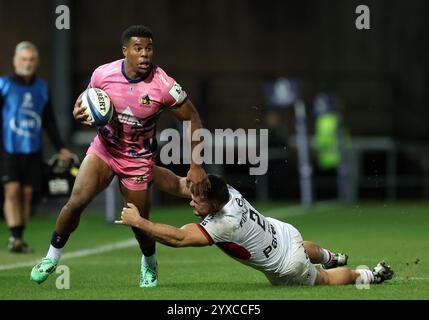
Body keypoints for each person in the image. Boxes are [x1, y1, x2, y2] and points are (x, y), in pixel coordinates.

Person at [30, 25, 210, 288]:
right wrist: (78, 111)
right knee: (76, 201)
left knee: (139, 224)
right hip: (104, 150)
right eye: (138, 49)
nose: (145, 54)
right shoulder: (103, 73)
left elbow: (193, 117)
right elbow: (86, 101)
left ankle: (149, 263)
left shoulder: (163, 85)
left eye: (149, 48)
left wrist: (196, 164)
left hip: (137, 160)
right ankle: (51, 257)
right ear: (125, 51)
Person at [116, 172, 394, 286]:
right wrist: (144, 168)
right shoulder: (227, 191)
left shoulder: (223, 224)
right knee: (305, 248)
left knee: (325, 280)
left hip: (288, 265)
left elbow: (177, 239)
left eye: (196, 201)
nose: (191, 201)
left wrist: (139, 222)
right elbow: (179, 183)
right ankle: (332, 255)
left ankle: (368, 275)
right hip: (284, 233)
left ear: (212, 206)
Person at [0, 41, 72, 253]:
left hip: (33, 149)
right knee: (11, 190)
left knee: (27, 193)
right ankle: (14, 238)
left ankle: (19, 237)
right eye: (23, 59)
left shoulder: (42, 87)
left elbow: (49, 120)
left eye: (31, 59)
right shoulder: (3, 85)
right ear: (15, 61)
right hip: (8, 148)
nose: (27, 63)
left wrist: (61, 147)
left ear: (36, 61)